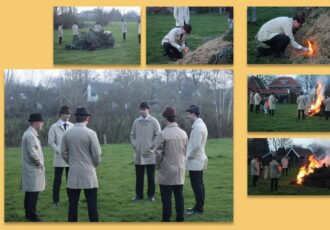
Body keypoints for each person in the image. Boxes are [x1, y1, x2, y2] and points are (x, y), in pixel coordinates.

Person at [144, 107, 188, 222]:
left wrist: (157, 166)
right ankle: (180, 218)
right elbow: (185, 151)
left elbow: (158, 153)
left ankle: (166, 219)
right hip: (180, 169)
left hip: (166, 170)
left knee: (166, 198)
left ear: (165, 118)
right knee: (179, 196)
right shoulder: (184, 133)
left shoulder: (163, 134)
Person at [60, 107, 101, 222]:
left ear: (76, 118)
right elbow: (97, 155)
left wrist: (71, 162)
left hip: (73, 171)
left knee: (72, 205)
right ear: (87, 118)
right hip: (89, 172)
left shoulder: (67, 133)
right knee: (92, 205)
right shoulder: (91, 133)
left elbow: (63, 152)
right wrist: (94, 165)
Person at [130, 102, 161, 201]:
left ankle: (151, 195)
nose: (142, 111)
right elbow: (132, 135)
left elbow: (158, 136)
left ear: (148, 110)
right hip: (138, 154)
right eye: (141, 109)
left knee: (151, 177)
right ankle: (139, 195)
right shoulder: (136, 122)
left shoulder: (154, 121)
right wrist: (135, 145)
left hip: (150, 155)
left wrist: (151, 147)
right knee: (139, 177)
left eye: (144, 109)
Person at [21, 113, 46, 222]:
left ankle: (28, 214)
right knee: (33, 193)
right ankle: (32, 216)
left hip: (31, 169)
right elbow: (32, 153)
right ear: (35, 122)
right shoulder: (30, 135)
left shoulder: (30, 133)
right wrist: (39, 164)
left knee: (30, 192)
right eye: (41, 122)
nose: (42, 124)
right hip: (33, 169)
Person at [185, 105, 208, 215]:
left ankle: (199, 209)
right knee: (199, 184)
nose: (187, 115)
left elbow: (196, 146)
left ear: (193, 113)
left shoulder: (198, 127)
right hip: (198, 159)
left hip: (196, 160)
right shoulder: (199, 125)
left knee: (196, 185)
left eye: (188, 113)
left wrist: (189, 156)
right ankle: (199, 206)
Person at [48, 106, 73, 207]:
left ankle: (72, 200)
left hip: (71, 158)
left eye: (68, 113)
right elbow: (50, 142)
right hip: (59, 158)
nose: (67, 115)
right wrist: (59, 150)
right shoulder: (54, 127)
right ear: (61, 114)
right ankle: (55, 201)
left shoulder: (73, 126)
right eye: (65, 113)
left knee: (70, 180)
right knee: (57, 180)